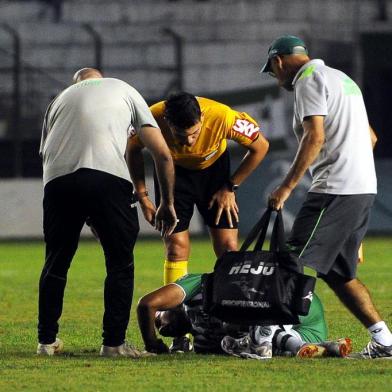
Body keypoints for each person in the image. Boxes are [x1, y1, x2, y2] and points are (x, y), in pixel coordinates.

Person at [260, 35, 392, 359]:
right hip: (360, 188)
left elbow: (314, 135)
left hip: (334, 188)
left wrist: (287, 187)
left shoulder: (308, 79)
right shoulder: (343, 80)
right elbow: (371, 138)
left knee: (290, 256)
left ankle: (267, 337)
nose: (276, 79)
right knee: (338, 274)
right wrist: (348, 219)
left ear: (279, 62)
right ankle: (385, 341)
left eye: (273, 71)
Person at [37, 68, 177, 357]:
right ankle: (113, 344)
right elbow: (162, 153)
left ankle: (46, 342)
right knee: (120, 263)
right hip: (108, 179)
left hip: (57, 184)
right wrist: (167, 203)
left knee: (56, 262)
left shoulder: (58, 101)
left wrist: (81, 210)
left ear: (77, 84)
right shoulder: (122, 88)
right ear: (100, 79)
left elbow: (46, 154)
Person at [128, 92, 269, 351]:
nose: (190, 141)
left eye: (194, 133)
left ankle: (235, 325)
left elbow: (261, 146)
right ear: (168, 123)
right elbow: (132, 149)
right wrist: (143, 196)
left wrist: (230, 186)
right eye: (182, 136)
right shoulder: (151, 117)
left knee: (228, 248)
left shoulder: (224, 117)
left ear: (202, 117)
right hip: (173, 177)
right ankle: (178, 328)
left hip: (215, 176)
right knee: (176, 247)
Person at [137, 273, 352, 359]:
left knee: (243, 317)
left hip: (295, 301)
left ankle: (266, 339)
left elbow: (147, 304)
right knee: (244, 340)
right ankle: (326, 347)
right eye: (160, 331)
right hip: (306, 333)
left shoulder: (196, 284)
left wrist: (153, 344)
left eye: (159, 319)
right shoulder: (203, 342)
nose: (160, 327)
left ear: (173, 305)